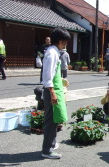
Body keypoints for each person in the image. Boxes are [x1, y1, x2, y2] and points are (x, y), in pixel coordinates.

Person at [41, 28, 70, 159]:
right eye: (65, 41)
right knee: (51, 121)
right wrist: (52, 92)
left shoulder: (54, 52)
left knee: (54, 119)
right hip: (51, 91)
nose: (66, 44)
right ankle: (47, 150)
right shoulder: (52, 53)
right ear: (60, 40)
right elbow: (47, 76)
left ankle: (51, 144)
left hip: (54, 90)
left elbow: (53, 74)